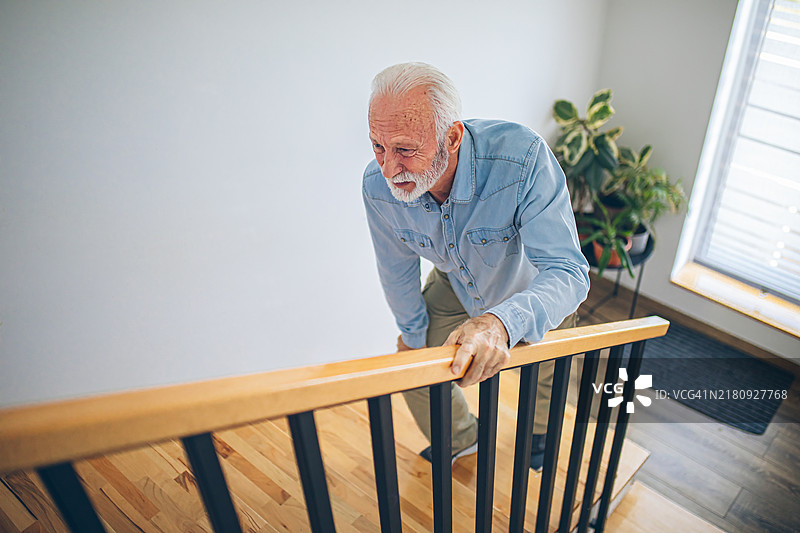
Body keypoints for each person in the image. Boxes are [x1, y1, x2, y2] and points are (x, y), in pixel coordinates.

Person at [362, 62, 590, 470]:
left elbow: (569, 272)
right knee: (412, 361)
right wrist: (413, 338)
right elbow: (395, 269)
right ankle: (464, 438)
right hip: (455, 282)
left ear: (451, 137)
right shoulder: (377, 187)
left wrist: (500, 323)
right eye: (378, 146)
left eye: (405, 150)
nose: (388, 169)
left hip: (533, 286)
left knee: (545, 378)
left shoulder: (523, 158)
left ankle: (538, 436)